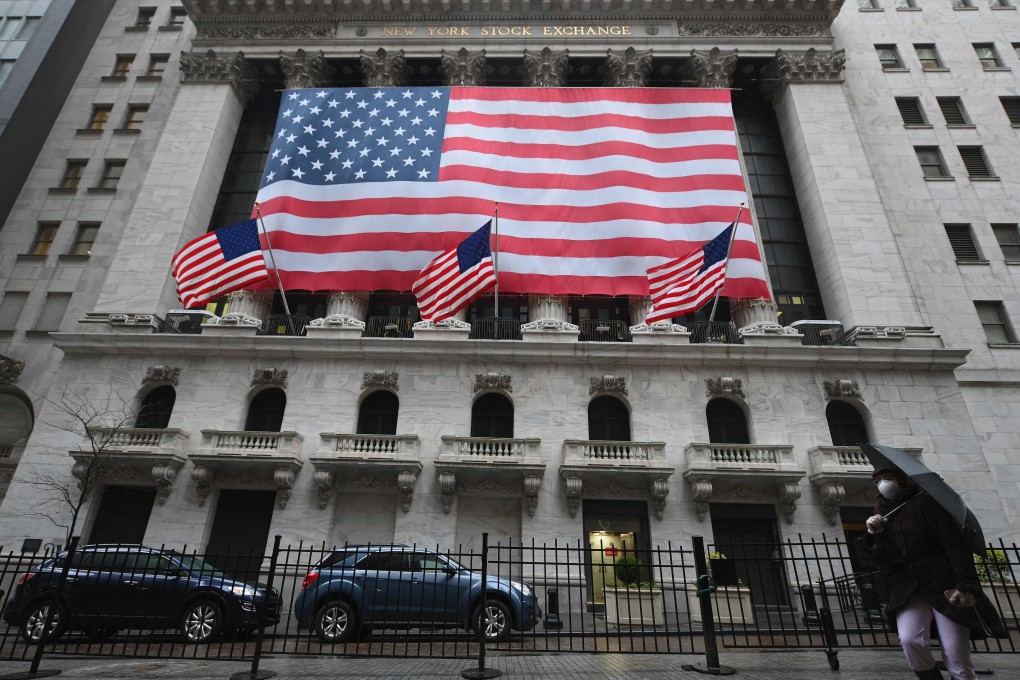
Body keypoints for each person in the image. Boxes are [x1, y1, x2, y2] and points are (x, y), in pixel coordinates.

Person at [864, 467, 1006, 680]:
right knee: (910, 640)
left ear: (902, 480)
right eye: (877, 481)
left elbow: (955, 546)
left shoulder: (927, 502)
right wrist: (875, 534)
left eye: (887, 478)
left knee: (955, 652)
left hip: (944, 583)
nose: (882, 484)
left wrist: (965, 586)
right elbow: (883, 559)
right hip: (909, 588)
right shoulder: (881, 510)